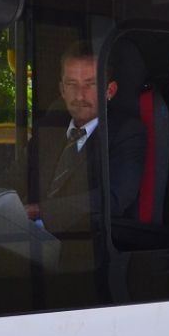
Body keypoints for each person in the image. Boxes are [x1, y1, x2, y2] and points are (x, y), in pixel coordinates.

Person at [28, 42, 146, 243]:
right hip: (24, 234)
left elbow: (116, 196)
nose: (79, 95)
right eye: (72, 84)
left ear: (110, 91)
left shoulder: (126, 132)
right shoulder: (47, 129)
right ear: (62, 89)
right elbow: (18, 173)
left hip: (84, 243)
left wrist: (41, 211)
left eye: (90, 84)